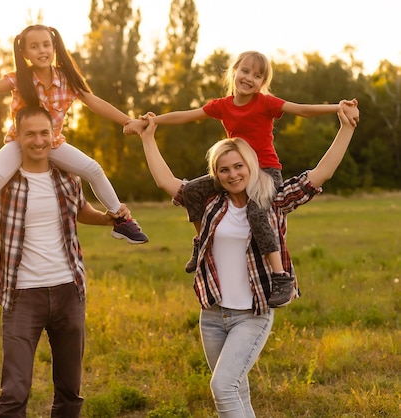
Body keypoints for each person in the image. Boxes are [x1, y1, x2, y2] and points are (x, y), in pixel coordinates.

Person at [136, 103, 359, 417]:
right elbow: (165, 181)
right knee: (236, 389)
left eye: (238, 166)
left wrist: (346, 127)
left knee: (222, 387)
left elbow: (319, 174)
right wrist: (148, 137)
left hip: (252, 314)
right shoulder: (212, 203)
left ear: (251, 165)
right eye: (224, 169)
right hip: (212, 314)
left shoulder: (273, 200)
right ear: (216, 174)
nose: (233, 174)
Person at [124, 50, 357, 307]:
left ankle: (280, 276)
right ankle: (202, 241)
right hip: (236, 169)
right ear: (234, 71)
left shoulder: (265, 102)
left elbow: (301, 110)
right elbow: (186, 115)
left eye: (257, 76)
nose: (249, 78)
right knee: (191, 190)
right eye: (245, 71)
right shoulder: (222, 105)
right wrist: (149, 123)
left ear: (262, 83)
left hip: (265, 172)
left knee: (257, 212)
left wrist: (338, 107)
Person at [0, 106, 131, 417]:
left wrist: (108, 219)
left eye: (45, 133)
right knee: (14, 391)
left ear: (54, 135)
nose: (39, 140)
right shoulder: (4, 181)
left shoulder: (68, 177)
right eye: (30, 134)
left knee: (70, 391)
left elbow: (81, 210)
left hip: (68, 290)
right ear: (17, 137)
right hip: (21, 296)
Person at [0, 24, 147, 252]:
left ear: (54, 47)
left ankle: (120, 219)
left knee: (93, 169)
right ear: (25, 53)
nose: (42, 50)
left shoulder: (67, 80)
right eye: (34, 47)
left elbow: (94, 102)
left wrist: (127, 121)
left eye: (46, 45)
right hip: (20, 144)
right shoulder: (20, 79)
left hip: (54, 144)